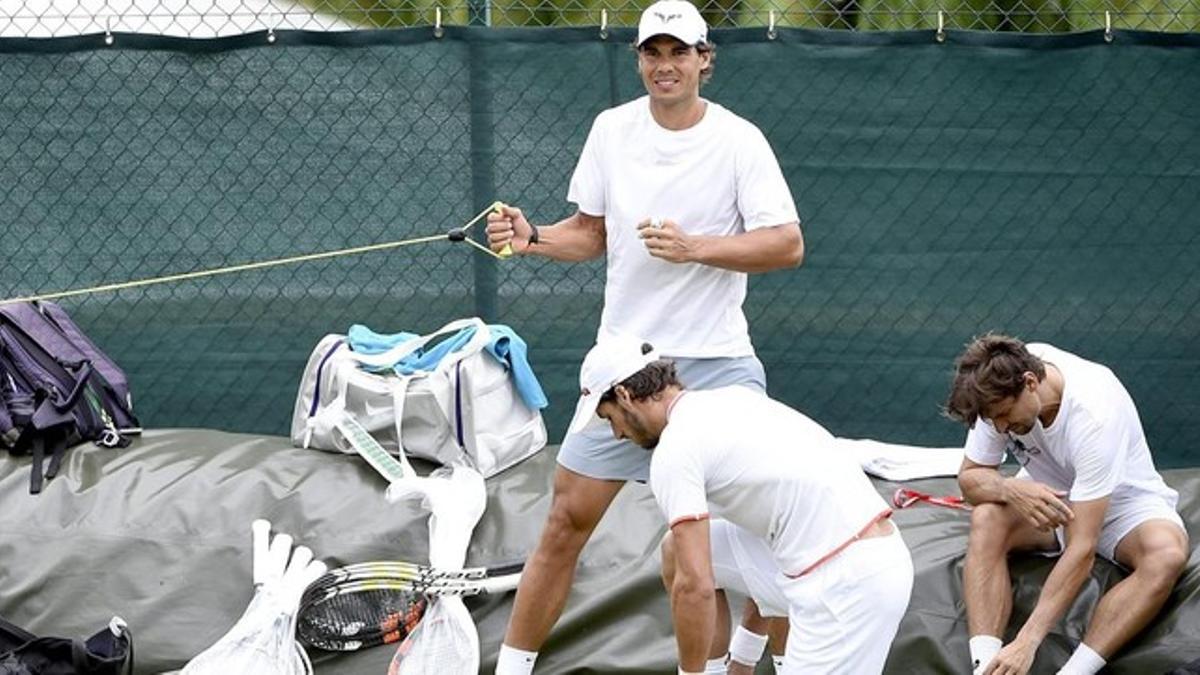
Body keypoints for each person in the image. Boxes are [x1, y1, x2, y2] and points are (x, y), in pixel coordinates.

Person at [486, 0, 804, 672]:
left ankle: (741, 662)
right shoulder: (610, 131)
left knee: (757, 532)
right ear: (639, 60)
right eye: (652, 53)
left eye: (679, 52)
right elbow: (590, 233)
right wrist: (533, 236)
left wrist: (696, 248)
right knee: (564, 522)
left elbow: (786, 244)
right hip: (621, 372)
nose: (665, 66)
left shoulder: (740, 140)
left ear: (704, 61)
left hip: (716, 366)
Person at [567, 335, 913, 673]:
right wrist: (742, 662)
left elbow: (695, 586)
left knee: (691, 568)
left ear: (625, 396)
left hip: (847, 589)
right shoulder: (734, 401)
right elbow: (754, 550)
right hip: (857, 561)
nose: (616, 434)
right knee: (677, 550)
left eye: (609, 417)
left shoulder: (676, 452)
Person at [945, 334, 1189, 675]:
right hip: (1054, 499)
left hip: (1125, 508)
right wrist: (1010, 490)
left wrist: (1027, 642)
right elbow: (971, 479)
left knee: (1166, 555)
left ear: (1030, 383)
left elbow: (1082, 548)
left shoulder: (1094, 414)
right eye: (993, 421)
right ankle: (984, 667)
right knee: (987, 516)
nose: (1001, 428)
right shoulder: (995, 391)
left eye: (1004, 416)